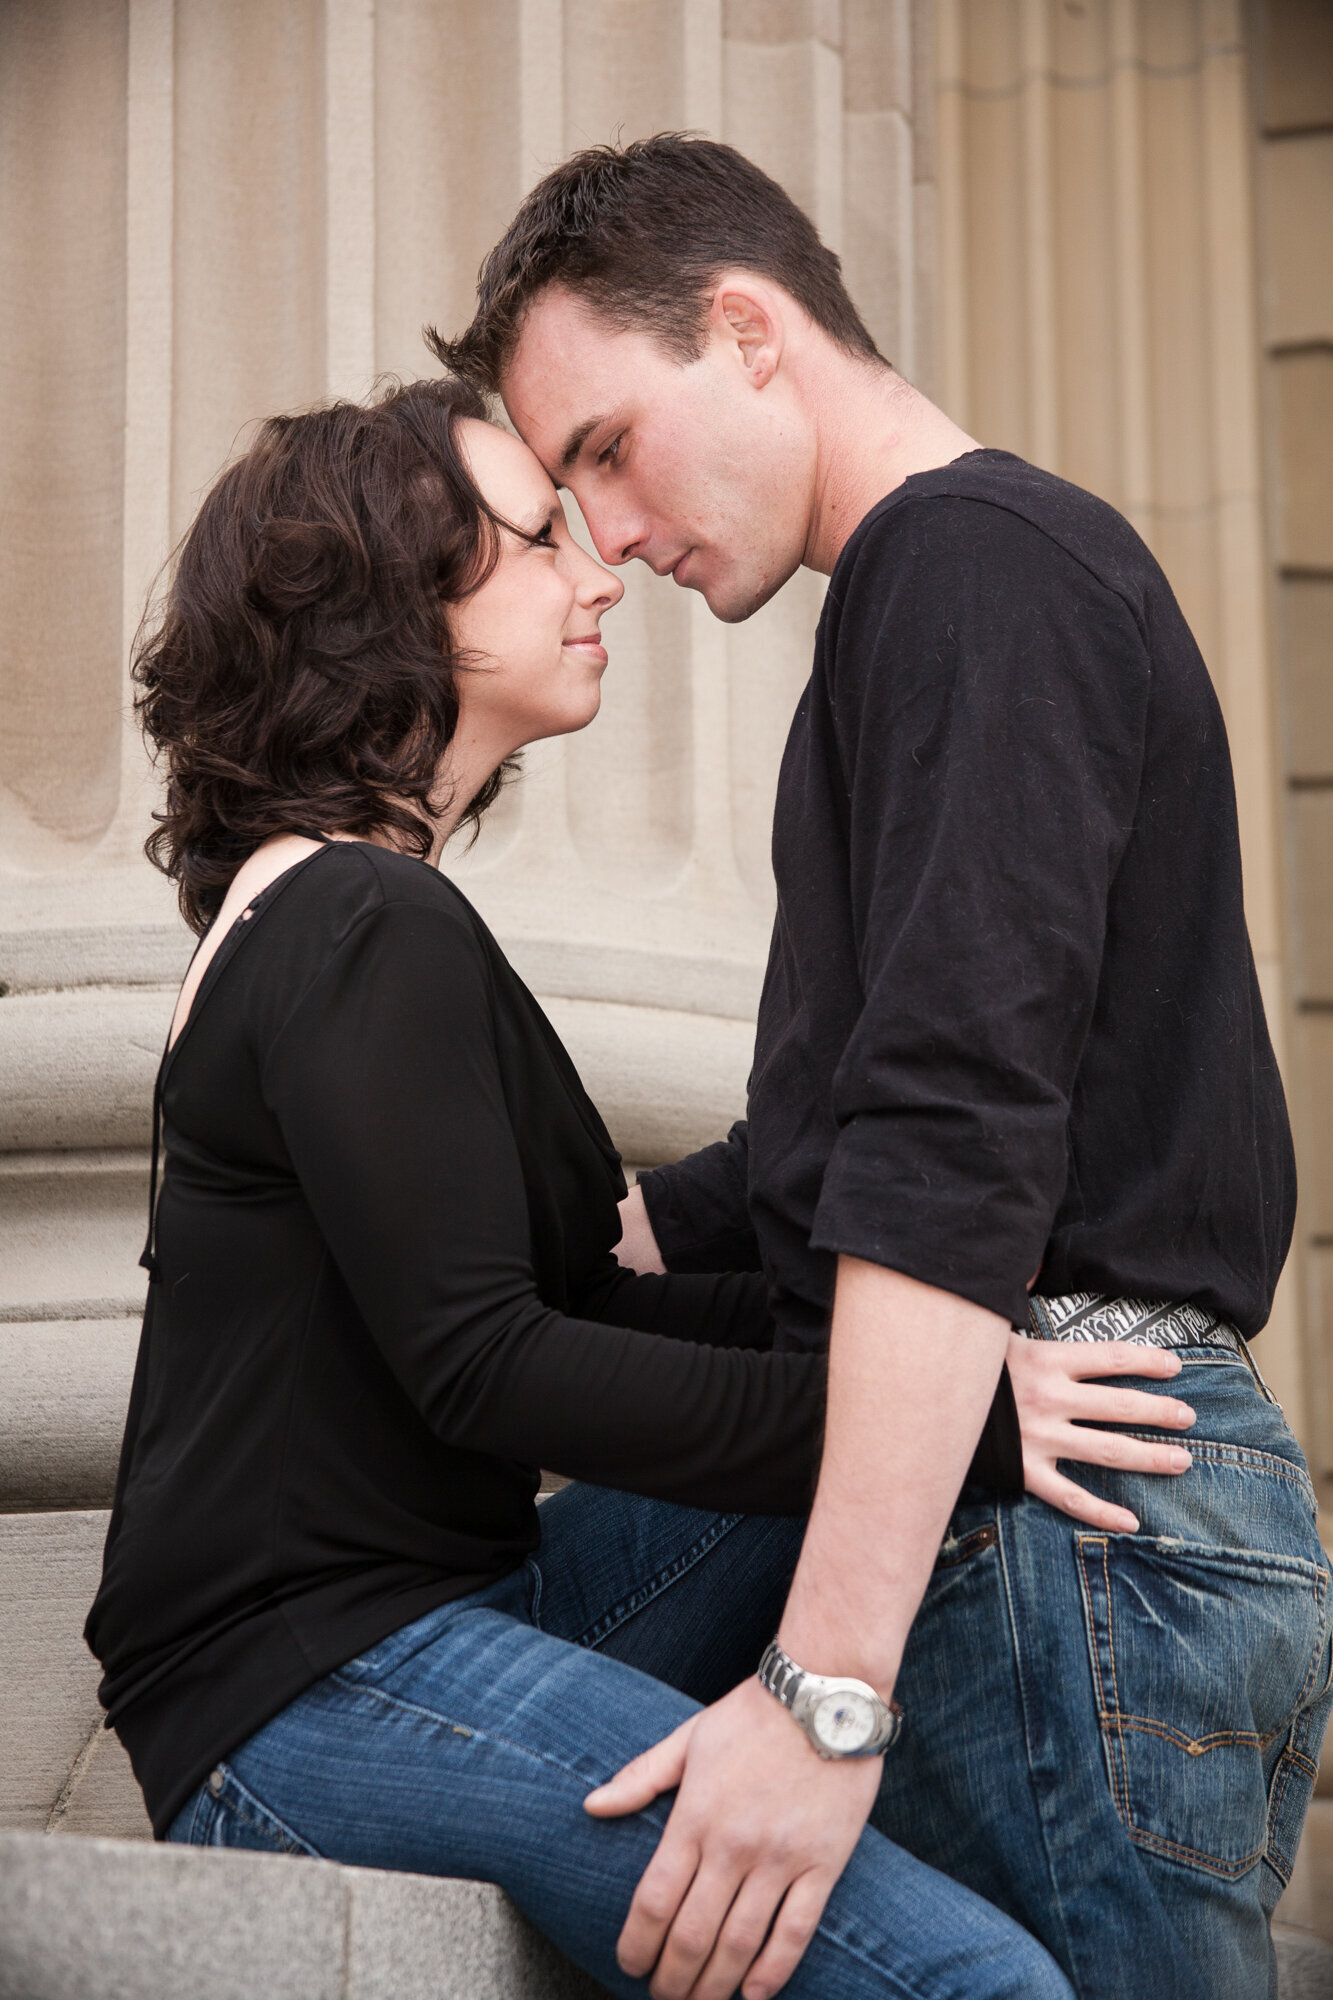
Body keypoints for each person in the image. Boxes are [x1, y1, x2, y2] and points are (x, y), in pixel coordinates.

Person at [87, 376, 1184, 2000]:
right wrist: (939, 1420)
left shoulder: (359, 913)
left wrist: (936, 1367)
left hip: (449, 1603)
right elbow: (492, 1368)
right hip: (304, 1697)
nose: (597, 570)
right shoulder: (350, 920)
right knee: (977, 1986)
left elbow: (588, 1305)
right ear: (390, 605)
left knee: (913, 1439)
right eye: (538, 538)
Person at [432, 134, 1333, 2000]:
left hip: (1074, 1518)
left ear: (750, 333)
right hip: (1081, 1527)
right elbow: (837, 1128)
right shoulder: (941, 592)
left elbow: (952, 1124)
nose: (603, 533)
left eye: (603, 446)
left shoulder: (969, 564)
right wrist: (583, 1228)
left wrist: (820, 1694)